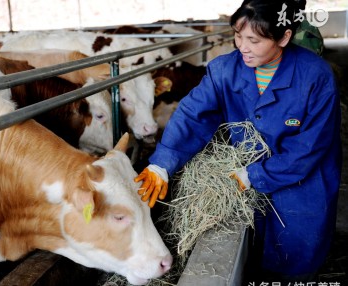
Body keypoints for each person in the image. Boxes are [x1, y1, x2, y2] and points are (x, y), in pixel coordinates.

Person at [134, 0, 342, 283]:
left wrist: (253, 175)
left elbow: (308, 149)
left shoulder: (316, 77)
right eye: (238, 35)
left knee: (294, 260)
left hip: (302, 188)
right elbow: (193, 115)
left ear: (283, 37)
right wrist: (162, 162)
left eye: (253, 40)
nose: (242, 46)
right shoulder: (224, 70)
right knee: (253, 259)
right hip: (244, 184)